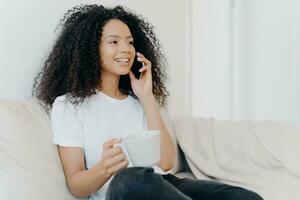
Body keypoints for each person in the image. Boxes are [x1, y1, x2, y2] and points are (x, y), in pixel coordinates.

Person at [32, 4, 263, 200]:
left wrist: (147, 97)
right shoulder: (69, 106)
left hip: (163, 185)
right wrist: (105, 168)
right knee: (129, 178)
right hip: (124, 190)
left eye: (130, 42)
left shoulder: (138, 100)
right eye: (114, 42)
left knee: (245, 197)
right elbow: (76, 184)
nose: (126, 49)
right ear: (90, 50)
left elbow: (165, 163)